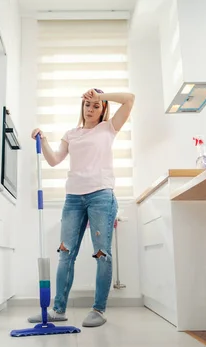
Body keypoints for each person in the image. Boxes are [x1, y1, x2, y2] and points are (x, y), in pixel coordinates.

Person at [28, 88, 135, 328]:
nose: (91, 109)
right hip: (73, 198)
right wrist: (43, 140)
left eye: (96, 106)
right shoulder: (71, 134)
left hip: (101, 196)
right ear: (82, 108)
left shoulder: (108, 129)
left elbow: (129, 99)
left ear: (103, 108)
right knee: (66, 254)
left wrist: (102, 95)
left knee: (102, 254)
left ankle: (98, 309)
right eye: (87, 105)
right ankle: (58, 309)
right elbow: (54, 160)